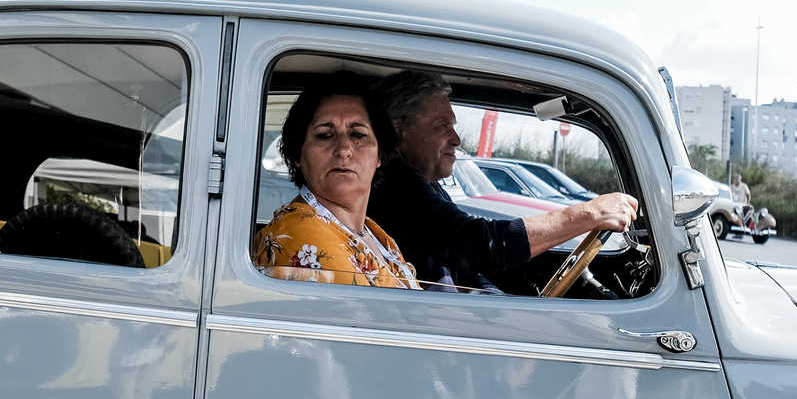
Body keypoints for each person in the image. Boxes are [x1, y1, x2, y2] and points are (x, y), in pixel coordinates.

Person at [368, 71, 639, 292]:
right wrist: (588, 214)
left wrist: (501, 302)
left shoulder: (421, 182)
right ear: (397, 130)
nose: (457, 139)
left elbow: (466, 267)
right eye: (441, 126)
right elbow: (474, 246)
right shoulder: (395, 186)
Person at [253, 74, 420, 290]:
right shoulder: (301, 233)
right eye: (324, 135)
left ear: (380, 154)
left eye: (358, 134)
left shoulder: (372, 232)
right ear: (298, 154)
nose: (343, 150)